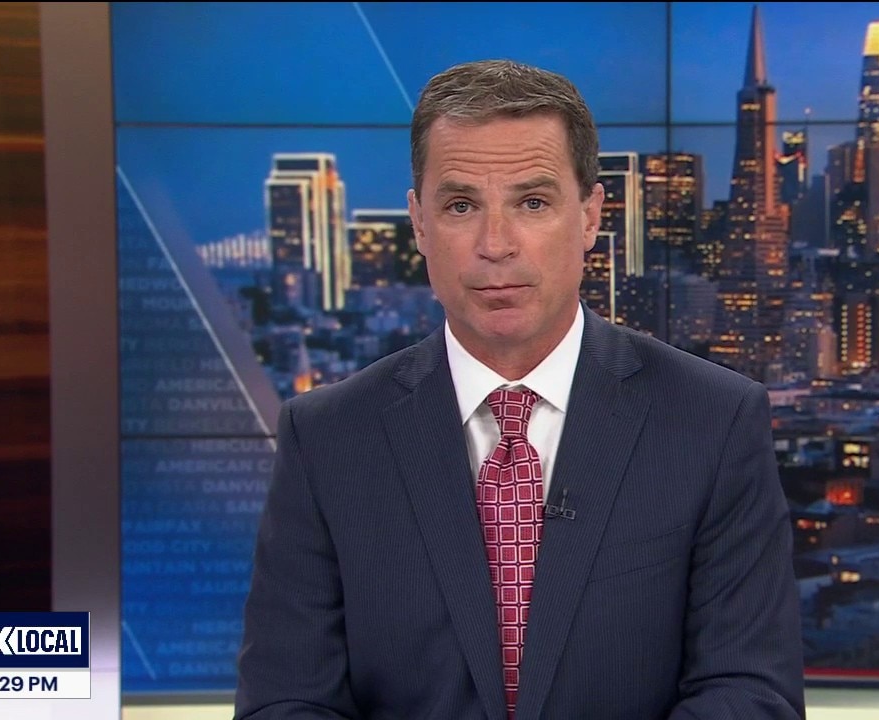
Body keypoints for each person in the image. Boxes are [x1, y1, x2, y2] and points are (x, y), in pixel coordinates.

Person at [235, 58, 805, 720]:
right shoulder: (326, 438)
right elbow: (286, 701)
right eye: (461, 206)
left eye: (532, 203)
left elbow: (750, 691)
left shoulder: (713, 420)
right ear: (419, 224)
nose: (495, 244)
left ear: (590, 217)